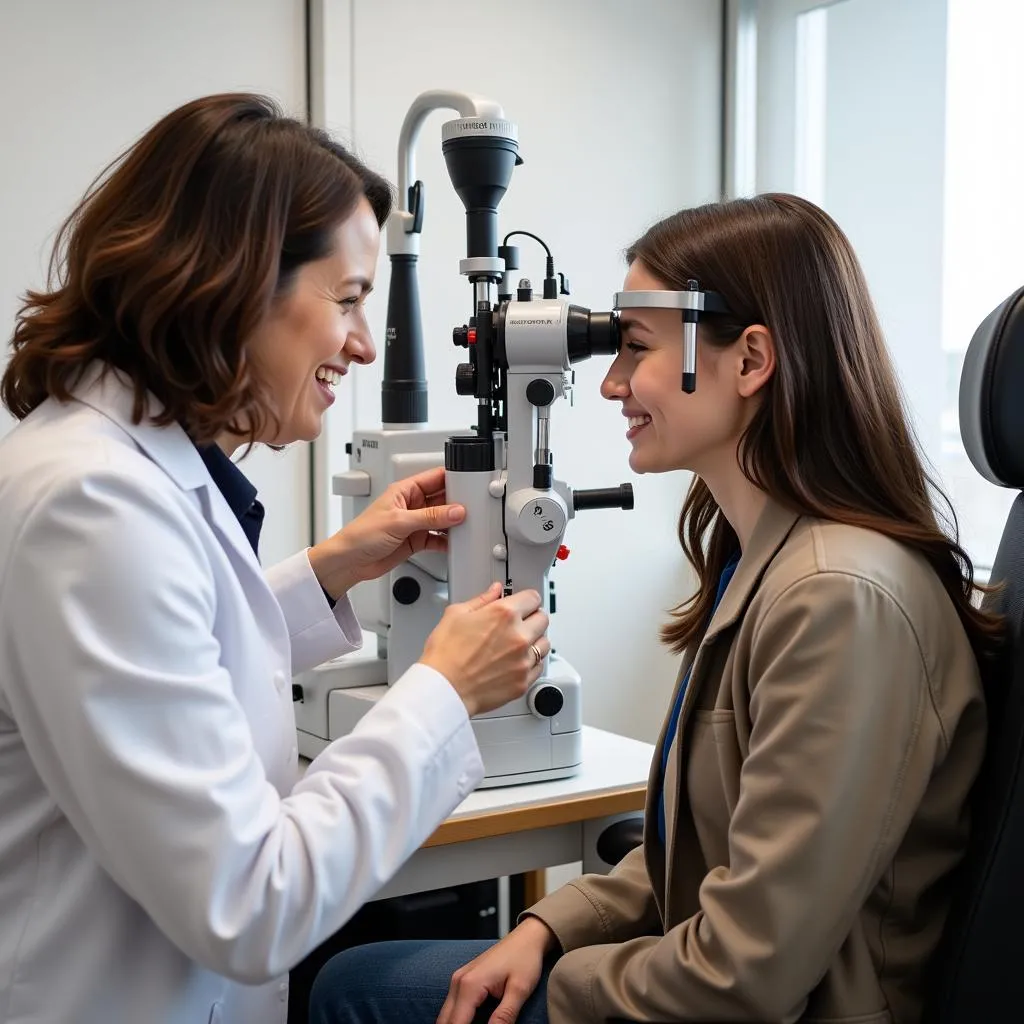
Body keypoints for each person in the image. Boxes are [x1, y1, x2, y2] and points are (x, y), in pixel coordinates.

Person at [309, 193, 1001, 1024]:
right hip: (713, 979)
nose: (608, 382)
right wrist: (551, 927)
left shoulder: (837, 602)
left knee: (355, 989)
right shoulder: (767, 562)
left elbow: (748, 973)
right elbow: (707, 852)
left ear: (750, 361)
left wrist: (561, 980)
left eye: (634, 348)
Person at [0, 93, 551, 1024]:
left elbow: (185, 647)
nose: (365, 343)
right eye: (346, 300)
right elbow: (247, 901)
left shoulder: (126, 464)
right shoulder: (92, 505)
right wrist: (444, 692)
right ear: (234, 281)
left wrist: (331, 568)